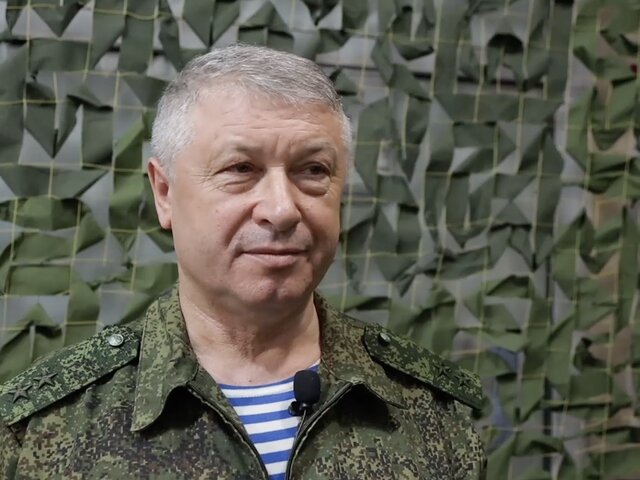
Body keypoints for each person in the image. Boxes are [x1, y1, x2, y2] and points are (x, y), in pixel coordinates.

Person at [0, 44, 486, 479]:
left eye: (313, 170)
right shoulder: (43, 430)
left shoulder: (432, 415)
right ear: (165, 193)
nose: (282, 209)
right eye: (240, 169)